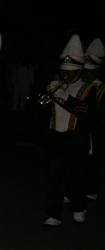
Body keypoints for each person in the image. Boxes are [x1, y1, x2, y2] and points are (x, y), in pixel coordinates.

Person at [42, 34, 96, 226]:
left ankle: (79, 207)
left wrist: (66, 98)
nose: (66, 74)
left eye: (71, 71)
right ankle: (54, 214)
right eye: (64, 70)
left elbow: (86, 111)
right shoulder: (54, 85)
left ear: (79, 70)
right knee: (55, 178)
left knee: (75, 177)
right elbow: (42, 109)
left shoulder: (88, 89)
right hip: (55, 137)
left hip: (75, 138)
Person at [82, 38, 104, 200]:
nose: (86, 73)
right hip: (80, 128)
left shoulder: (100, 87)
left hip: (93, 129)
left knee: (91, 160)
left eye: (89, 71)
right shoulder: (81, 85)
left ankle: (91, 188)